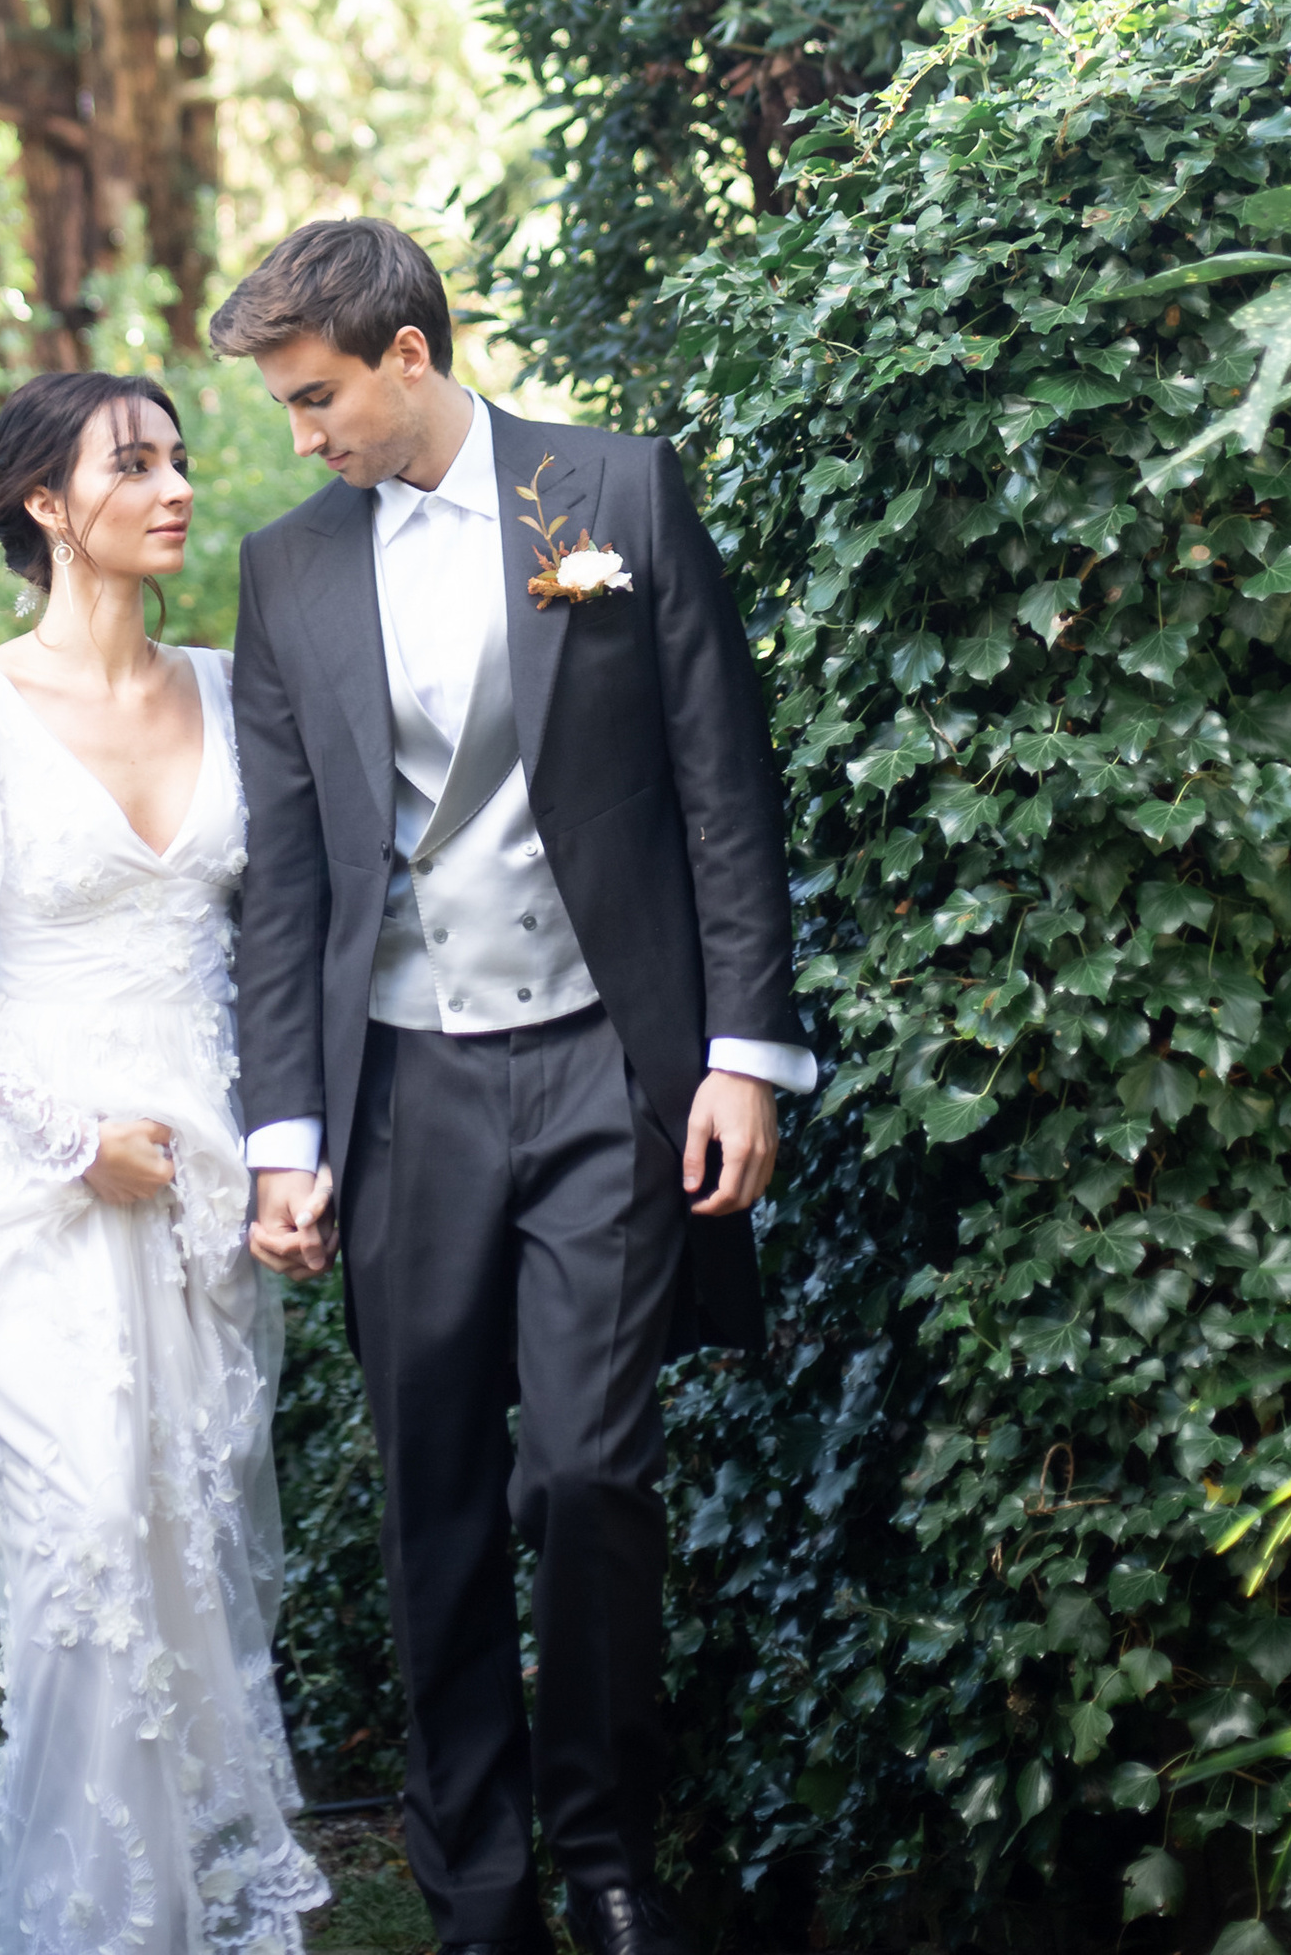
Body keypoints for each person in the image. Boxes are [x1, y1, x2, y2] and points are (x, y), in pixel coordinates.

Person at [214, 221, 810, 1955]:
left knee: (593, 1478)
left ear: (410, 355)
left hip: (604, 1071)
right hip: (404, 1089)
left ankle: (610, 1854)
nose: (300, 434)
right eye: (281, 406)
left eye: (317, 397)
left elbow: (723, 791)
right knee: (436, 1503)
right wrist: (286, 1141)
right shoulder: (286, 571)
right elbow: (294, 886)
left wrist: (742, 1059)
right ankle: (480, 1887)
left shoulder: (613, 494)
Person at [0, 369, 327, 1955]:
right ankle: (85, 1927)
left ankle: (203, 1901)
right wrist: (74, 1141)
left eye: (181, 459)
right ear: (47, 507)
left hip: (198, 1182)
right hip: (20, 1189)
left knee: (189, 1550)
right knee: (81, 1541)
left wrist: (278, 1154)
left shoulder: (229, 688)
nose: (177, 486)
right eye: (133, 465)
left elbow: (280, 945)